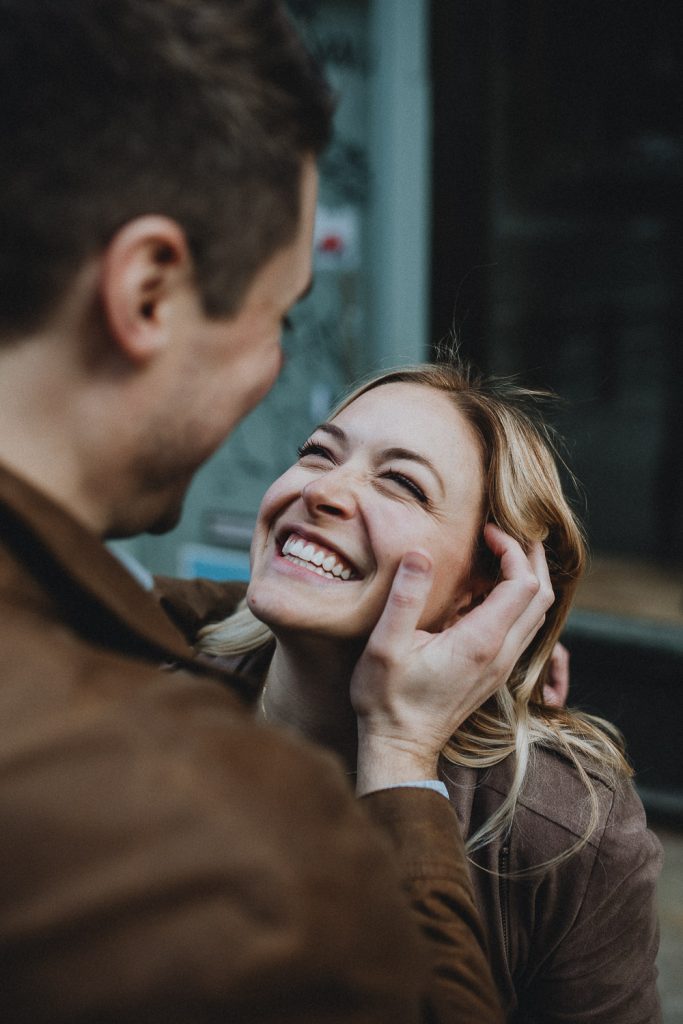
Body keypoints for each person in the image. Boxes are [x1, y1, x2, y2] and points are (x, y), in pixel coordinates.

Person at [0, 3, 556, 1021]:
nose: (271, 371)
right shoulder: (223, 821)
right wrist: (398, 749)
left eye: (400, 481)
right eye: (279, 317)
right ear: (150, 291)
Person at [162, 361, 662, 1023]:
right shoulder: (141, 681)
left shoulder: (564, 829)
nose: (327, 490)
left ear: (480, 591)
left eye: (400, 483)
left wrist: (400, 750)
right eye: (317, 453)